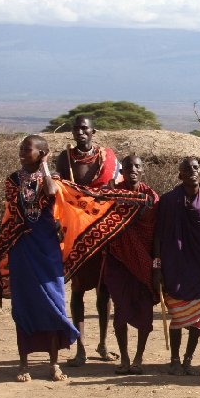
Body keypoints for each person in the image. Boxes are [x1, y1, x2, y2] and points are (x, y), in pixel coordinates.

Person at [0, 135, 147, 382]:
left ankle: (54, 364)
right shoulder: (12, 180)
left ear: (42, 153)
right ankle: (24, 365)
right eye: (21, 148)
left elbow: (51, 192)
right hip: (21, 247)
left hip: (48, 248)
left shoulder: (54, 180)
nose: (21, 152)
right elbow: (16, 211)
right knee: (24, 305)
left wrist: (44, 166)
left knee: (53, 303)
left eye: (27, 149)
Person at [55, 114, 122, 366]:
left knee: (104, 291)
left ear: (94, 132)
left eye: (85, 129)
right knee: (78, 290)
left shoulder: (108, 158)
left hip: (102, 232)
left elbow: (116, 190)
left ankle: (103, 344)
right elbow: (63, 191)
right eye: (76, 129)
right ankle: (80, 348)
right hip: (76, 231)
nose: (80, 133)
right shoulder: (66, 158)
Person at [154, 157, 200, 376]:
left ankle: (188, 359)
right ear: (179, 174)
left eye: (196, 168)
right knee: (178, 316)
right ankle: (174, 359)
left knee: (197, 318)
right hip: (175, 266)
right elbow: (158, 236)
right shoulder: (168, 201)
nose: (192, 171)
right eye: (187, 169)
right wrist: (157, 266)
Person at [103, 155, 159, 375]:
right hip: (118, 261)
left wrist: (156, 263)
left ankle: (138, 357)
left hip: (144, 261)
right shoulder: (112, 195)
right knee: (120, 311)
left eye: (137, 166)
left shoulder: (152, 197)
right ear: (122, 171)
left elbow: (156, 233)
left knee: (144, 310)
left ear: (143, 170)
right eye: (128, 167)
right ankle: (124, 357)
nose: (132, 169)